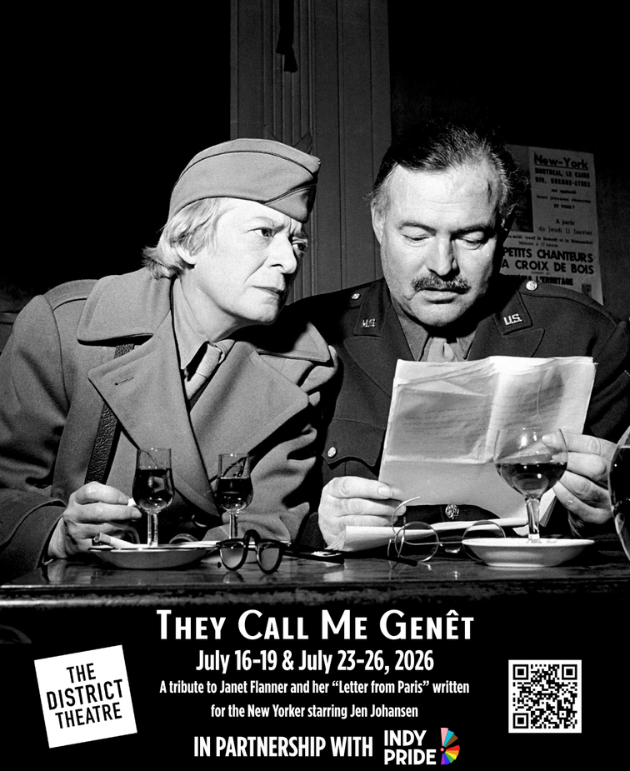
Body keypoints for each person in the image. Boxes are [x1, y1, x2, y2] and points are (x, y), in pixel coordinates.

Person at [0, 138, 336, 581]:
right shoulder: (64, 328)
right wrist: (57, 532)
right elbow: (6, 488)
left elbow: (265, 524)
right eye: (264, 233)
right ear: (187, 241)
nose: (289, 261)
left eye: (298, 242)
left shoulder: (304, 370)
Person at [293, 121, 630, 548]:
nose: (442, 265)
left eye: (471, 238)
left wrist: (613, 508)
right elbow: (256, 524)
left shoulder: (587, 336)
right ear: (378, 222)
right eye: (416, 235)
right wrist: (318, 530)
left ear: (504, 228)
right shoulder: (308, 337)